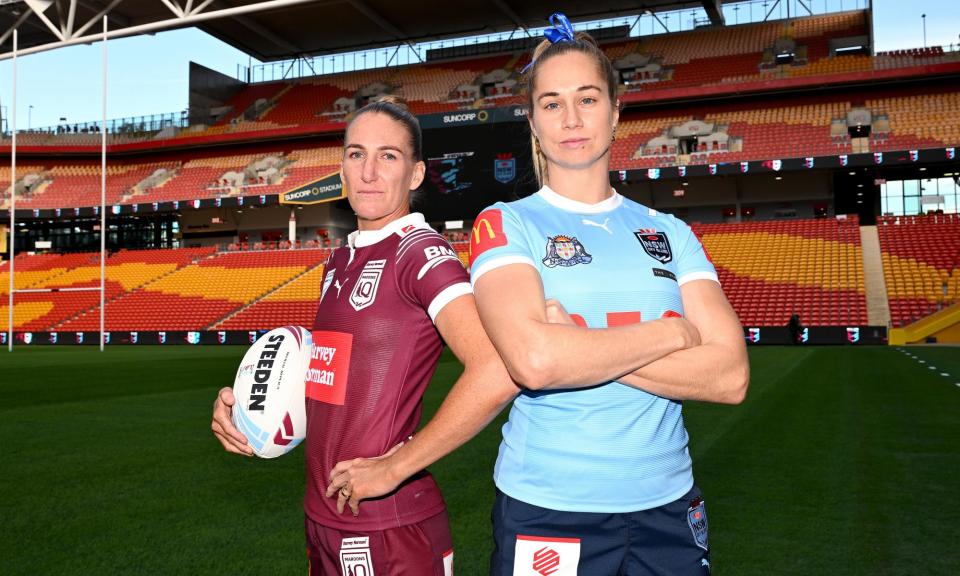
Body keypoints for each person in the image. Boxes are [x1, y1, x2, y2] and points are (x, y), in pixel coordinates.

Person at [465, 15, 749, 574]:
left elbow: (730, 376)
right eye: (551, 103)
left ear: (617, 112)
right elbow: (536, 361)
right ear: (533, 121)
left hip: (669, 507)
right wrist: (669, 334)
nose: (570, 118)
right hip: (549, 508)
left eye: (587, 99)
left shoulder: (670, 232)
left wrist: (580, 345)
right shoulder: (505, 223)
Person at [211, 96, 517, 575]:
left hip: (389, 527)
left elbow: (498, 371)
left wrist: (396, 467)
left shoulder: (421, 253)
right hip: (325, 517)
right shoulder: (338, 261)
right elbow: (333, 386)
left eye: (387, 156)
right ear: (343, 168)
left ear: (415, 175)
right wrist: (249, 410)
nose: (369, 172)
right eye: (357, 154)